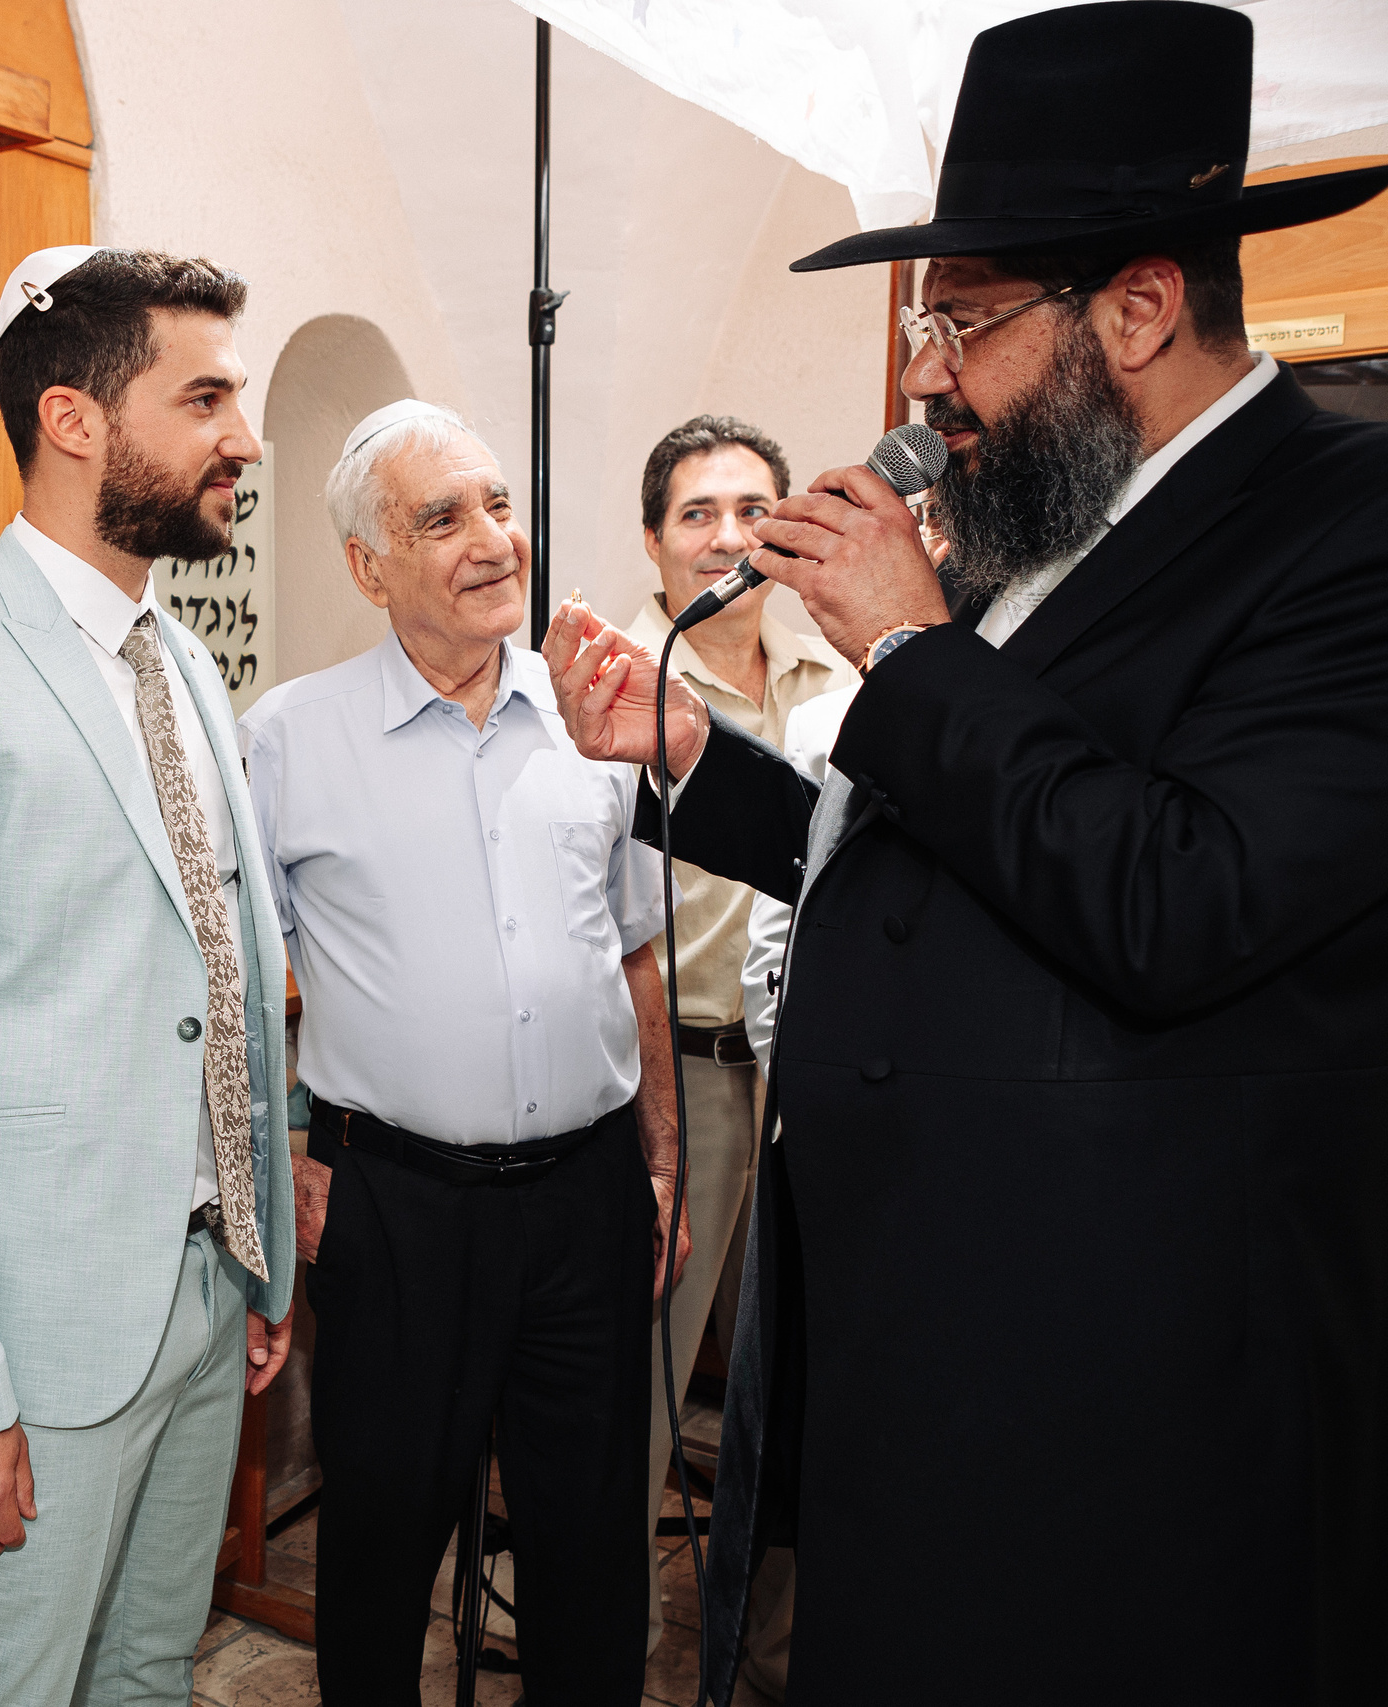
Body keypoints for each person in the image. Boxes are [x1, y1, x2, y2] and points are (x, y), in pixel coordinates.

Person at [542, 6, 1388, 1702]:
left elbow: (1178, 896)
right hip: (920, 1362)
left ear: (1139, 309)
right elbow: (951, 868)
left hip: (1125, 1422)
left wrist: (917, 655)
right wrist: (702, 758)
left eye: (966, 318)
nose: (925, 373)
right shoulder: (1052, 529)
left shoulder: (1340, 528)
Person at [0, 247, 296, 1707]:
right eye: (203, 396)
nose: (244, 438)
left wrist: (262, 1219)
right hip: (33, 1335)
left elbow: (223, 960)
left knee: (148, 1673)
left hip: (208, 1297)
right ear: (77, 419)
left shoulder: (184, 661)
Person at [239, 399, 680, 1706]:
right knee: (380, 1546)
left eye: (498, 502)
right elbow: (249, 992)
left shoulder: (602, 715)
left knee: (589, 1547)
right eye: (446, 516)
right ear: (369, 565)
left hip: (589, 1193)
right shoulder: (289, 738)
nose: (495, 538)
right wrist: (288, 1157)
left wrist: (664, 1165)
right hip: (398, 1206)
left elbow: (639, 951)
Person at [618, 415, 845, 1679]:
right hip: (686, 1087)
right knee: (639, 1391)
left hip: (805, 1090)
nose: (728, 538)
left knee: (799, 1388)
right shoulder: (619, 691)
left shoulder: (840, 678)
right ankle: (591, 1640)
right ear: (654, 545)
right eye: (697, 514)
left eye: (753, 510)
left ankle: (763, 1649)